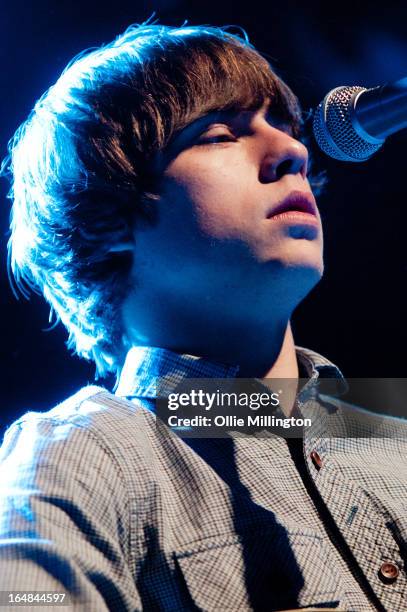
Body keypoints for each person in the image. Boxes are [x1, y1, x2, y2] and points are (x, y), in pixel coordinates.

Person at [1, 21, 406, 612]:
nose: (294, 150)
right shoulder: (86, 454)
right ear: (106, 222)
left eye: (287, 128)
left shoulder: (389, 433)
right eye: (219, 135)